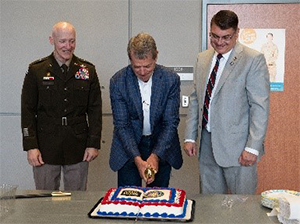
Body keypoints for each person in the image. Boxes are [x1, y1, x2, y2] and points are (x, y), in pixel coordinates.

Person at [184, 10, 270, 194]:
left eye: (226, 37)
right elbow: (196, 99)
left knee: (243, 207)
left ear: (236, 33)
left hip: (239, 148)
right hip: (206, 145)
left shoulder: (252, 60)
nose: (220, 42)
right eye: (215, 36)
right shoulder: (203, 58)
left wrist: (252, 148)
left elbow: (259, 107)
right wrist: (190, 137)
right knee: (211, 206)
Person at [21, 21, 102, 191]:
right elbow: (27, 110)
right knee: (44, 201)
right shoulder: (37, 70)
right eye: (62, 41)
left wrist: (93, 143)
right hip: (45, 147)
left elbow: (94, 110)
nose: (68, 46)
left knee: (77, 202)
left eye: (72, 41)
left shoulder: (87, 70)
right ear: (52, 40)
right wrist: (31, 146)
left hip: (78, 146)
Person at [109, 32, 183, 187]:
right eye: (137, 67)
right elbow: (122, 125)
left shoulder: (170, 80)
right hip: (128, 147)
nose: (142, 72)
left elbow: (170, 123)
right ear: (130, 59)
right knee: (128, 199)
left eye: (147, 66)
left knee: (157, 198)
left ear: (156, 57)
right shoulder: (118, 81)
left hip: (161, 144)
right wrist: (137, 159)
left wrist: (155, 156)